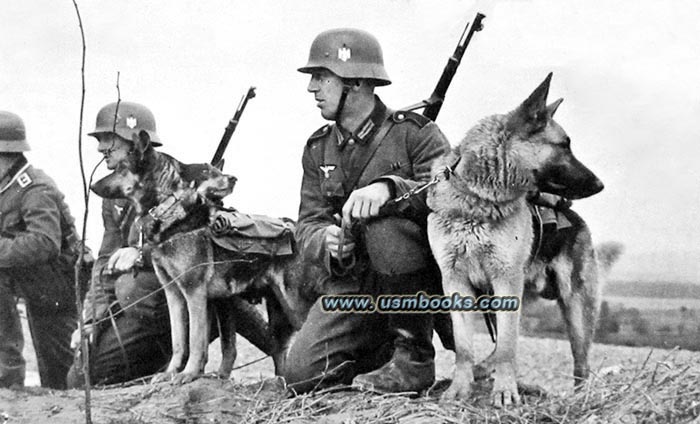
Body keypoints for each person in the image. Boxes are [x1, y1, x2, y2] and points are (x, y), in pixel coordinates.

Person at [282, 28, 451, 394]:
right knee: (301, 376)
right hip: (354, 283)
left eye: (321, 78)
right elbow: (307, 222)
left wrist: (391, 187)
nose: (312, 88)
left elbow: (449, 193)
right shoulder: (318, 149)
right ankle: (379, 355)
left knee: (385, 228)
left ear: (356, 82)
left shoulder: (416, 135)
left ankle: (414, 360)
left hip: (416, 281)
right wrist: (324, 242)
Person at [66, 101, 173, 387]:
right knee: (82, 376)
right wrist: (91, 320)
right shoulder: (113, 193)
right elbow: (105, 260)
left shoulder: (172, 181)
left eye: (109, 142)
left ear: (137, 144)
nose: (101, 149)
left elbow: (194, 249)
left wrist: (141, 254)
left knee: (130, 287)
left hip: (171, 298)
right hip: (135, 303)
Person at [0, 111, 85, 389]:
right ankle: (8, 380)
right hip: (35, 285)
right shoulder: (7, 187)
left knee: (62, 375)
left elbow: (45, 242)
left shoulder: (34, 188)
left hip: (57, 288)